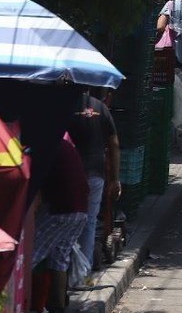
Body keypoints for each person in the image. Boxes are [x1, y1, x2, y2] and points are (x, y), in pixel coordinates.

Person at [31, 137, 89, 313]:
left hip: (62, 210)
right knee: (60, 259)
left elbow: (35, 196)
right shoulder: (61, 143)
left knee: (29, 255)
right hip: (80, 209)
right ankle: (57, 305)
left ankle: (27, 304)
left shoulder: (43, 147)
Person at [66, 88, 120, 275]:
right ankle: (83, 273)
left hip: (71, 173)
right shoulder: (101, 108)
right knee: (89, 223)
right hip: (95, 174)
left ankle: (65, 270)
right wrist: (115, 178)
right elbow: (114, 144)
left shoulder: (66, 107)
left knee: (67, 220)